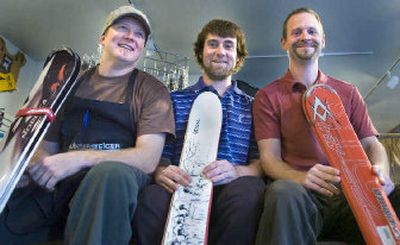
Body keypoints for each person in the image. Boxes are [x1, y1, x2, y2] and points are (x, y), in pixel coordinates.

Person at [0, 5, 174, 244]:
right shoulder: (68, 82)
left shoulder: (152, 90)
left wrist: (79, 158)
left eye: (139, 34)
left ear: (142, 47)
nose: (130, 37)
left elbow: (148, 159)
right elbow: (47, 147)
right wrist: (29, 166)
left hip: (116, 180)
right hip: (62, 181)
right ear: (102, 38)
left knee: (109, 174)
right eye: (122, 28)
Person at [253, 7, 400, 244]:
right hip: (301, 197)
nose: (305, 36)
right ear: (283, 42)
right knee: (282, 193)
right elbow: (269, 159)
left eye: (312, 31)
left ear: (323, 40)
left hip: (351, 197)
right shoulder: (268, 96)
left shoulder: (348, 92)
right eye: (296, 32)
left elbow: (372, 144)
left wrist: (381, 169)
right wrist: (301, 177)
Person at [133, 19, 265, 245]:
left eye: (228, 45)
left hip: (231, 188)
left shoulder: (253, 106)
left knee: (249, 192)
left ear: (238, 55)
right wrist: (161, 172)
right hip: (182, 185)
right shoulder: (173, 100)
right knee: (151, 197)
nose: (220, 51)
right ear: (201, 52)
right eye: (213, 44)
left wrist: (237, 171)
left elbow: (260, 162)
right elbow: (161, 152)